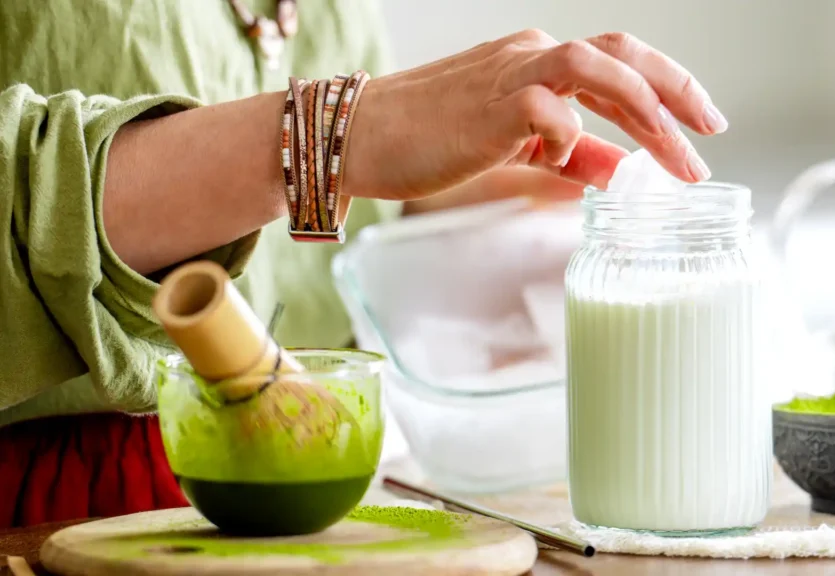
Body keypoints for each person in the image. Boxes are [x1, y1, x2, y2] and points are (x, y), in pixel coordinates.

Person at [0, 0, 727, 528]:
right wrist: (333, 133)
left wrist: (499, 222)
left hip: (310, 470)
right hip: (56, 513)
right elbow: (337, 147)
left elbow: (336, 211)